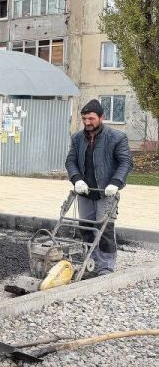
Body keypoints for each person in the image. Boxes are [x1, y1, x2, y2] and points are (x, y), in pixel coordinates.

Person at [65, 99, 133, 275]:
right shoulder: (78, 138)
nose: (87, 122)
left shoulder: (117, 137)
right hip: (85, 192)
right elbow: (71, 161)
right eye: (84, 118)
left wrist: (115, 183)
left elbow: (125, 162)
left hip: (106, 191)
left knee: (105, 229)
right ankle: (91, 262)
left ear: (101, 117)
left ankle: (105, 266)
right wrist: (77, 179)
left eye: (91, 118)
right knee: (86, 227)